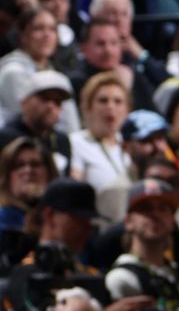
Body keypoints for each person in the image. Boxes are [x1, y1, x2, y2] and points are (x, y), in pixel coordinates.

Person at [105, 179, 179, 311]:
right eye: (145, 208)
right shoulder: (123, 278)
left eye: (163, 208)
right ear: (128, 221)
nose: (155, 214)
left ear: (173, 221)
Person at [69, 72, 133, 222]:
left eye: (118, 101)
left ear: (127, 110)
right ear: (88, 107)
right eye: (103, 101)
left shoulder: (132, 145)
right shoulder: (75, 143)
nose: (110, 107)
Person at [0, 70, 73, 174]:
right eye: (45, 99)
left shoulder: (61, 141)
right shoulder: (5, 139)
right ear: (24, 101)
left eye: (57, 102)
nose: (51, 107)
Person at [0, 137, 58, 231]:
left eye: (35, 164)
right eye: (19, 165)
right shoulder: (3, 218)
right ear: (6, 176)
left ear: (49, 172)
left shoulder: (60, 215)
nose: (28, 170)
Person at [120, 109, 169, 180]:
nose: (158, 147)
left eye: (160, 138)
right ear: (125, 147)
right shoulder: (120, 189)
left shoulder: (174, 182)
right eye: (146, 140)